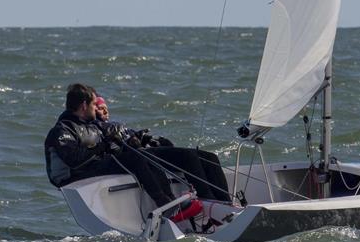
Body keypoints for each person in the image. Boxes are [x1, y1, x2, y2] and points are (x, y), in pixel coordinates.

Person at [44, 83, 201, 221]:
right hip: (74, 176)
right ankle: (165, 205)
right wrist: (105, 145)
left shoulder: (91, 125)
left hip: (93, 166)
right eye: (93, 104)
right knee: (135, 158)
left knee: (144, 153)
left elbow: (108, 145)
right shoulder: (62, 130)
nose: (96, 108)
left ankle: (172, 201)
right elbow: (75, 160)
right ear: (84, 105)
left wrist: (134, 140)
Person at [93, 97, 231, 202]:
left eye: (106, 107)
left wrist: (149, 139)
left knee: (210, 157)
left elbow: (135, 136)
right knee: (188, 156)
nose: (105, 110)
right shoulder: (98, 129)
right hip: (139, 159)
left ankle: (225, 202)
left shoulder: (117, 125)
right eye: (100, 108)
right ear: (92, 111)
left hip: (149, 153)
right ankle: (208, 200)